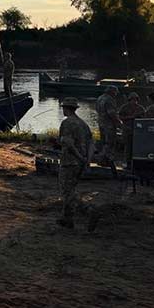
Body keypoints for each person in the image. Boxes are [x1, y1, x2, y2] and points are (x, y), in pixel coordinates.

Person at [57, 97, 93, 229]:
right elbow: (91, 144)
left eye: (63, 108)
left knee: (67, 191)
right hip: (80, 163)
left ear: (66, 108)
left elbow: (69, 144)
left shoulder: (67, 123)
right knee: (71, 189)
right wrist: (87, 160)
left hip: (69, 162)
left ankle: (88, 210)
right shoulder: (83, 124)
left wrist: (79, 157)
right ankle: (67, 219)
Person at [95, 86, 120, 177]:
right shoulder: (110, 100)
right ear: (112, 92)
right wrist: (118, 123)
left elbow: (97, 110)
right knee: (109, 143)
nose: (116, 94)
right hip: (109, 125)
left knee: (103, 142)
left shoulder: (100, 98)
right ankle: (106, 161)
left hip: (101, 123)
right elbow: (111, 113)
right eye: (116, 92)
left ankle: (101, 160)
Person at [118, 92, 146, 168]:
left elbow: (144, 119)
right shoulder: (124, 107)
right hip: (127, 130)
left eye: (135, 99)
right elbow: (120, 117)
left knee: (137, 147)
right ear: (129, 100)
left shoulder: (140, 108)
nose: (134, 101)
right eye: (132, 99)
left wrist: (139, 117)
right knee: (127, 147)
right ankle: (128, 163)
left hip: (137, 131)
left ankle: (136, 163)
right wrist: (131, 117)